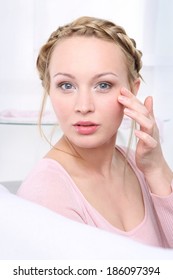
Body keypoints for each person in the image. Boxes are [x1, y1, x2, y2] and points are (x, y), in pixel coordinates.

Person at [17, 16, 173, 248]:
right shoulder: (46, 194)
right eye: (66, 85)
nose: (84, 106)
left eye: (103, 85)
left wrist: (157, 167)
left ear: (132, 89)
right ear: (49, 88)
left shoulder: (137, 162)